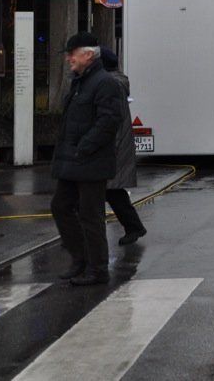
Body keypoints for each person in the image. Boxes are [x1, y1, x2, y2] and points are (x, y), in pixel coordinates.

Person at [51, 32, 122, 286]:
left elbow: (109, 121)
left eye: (73, 53)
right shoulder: (80, 82)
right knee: (60, 206)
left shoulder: (104, 83)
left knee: (91, 216)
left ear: (88, 55)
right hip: (74, 161)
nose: (68, 58)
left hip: (91, 161)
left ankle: (98, 269)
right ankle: (80, 258)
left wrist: (84, 147)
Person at [99, 48, 147, 246]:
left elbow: (110, 119)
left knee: (107, 190)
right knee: (111, 191)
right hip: (115, 146)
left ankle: (83, 235)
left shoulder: (110, 85)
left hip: (113, 147)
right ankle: (134, 227)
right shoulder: (115, 82)